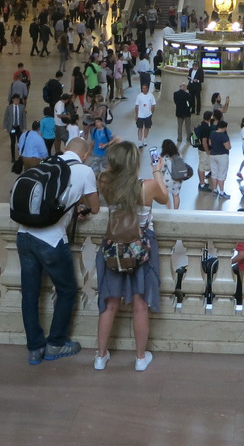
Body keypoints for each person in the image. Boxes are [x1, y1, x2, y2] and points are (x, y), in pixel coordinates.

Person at [17, 137, 99, 365]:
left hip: (23, 235)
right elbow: (95, 207)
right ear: (85, 155)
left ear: (64, 149)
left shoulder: (46, 163)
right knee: (66, 290)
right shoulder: (84, 170)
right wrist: (82, 207)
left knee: (30, 295)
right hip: (51, 240)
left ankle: (34, 348)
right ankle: (56, 343)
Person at [93, 140, 168, 371]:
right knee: (140, 304)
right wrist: (157, 171)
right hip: (141, 248)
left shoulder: (105, 182)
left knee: (110, 303)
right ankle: (139, 358)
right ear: (135, 162)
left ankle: (100, 356)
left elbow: (106, 174)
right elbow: (165, 198)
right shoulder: (146, 186)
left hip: (113, 247)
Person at [208, 118, 231, 199]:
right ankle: (221, 192)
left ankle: (215, 190)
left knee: (214, 173)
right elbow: (228, 147)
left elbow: (210, 143)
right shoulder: (224, 136)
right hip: (222, 156)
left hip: (212, 155)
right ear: (224, 127)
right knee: (221, 174)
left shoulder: (212, 133)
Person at [4, 94, 28, 164]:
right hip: (12, 127)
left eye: (18, 100)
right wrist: (5, 127)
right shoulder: (9, 108)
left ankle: (21, 156)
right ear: (13, 100)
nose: (17, 101)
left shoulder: (22, 107)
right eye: (15, 100)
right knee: (12, 142)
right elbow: (6, 117)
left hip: (19, 127)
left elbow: (24, 118)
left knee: (20, 142)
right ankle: (13, 157)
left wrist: (24, 127)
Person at [133, 81, 156, 145]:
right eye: (143, 88)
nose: (144, 89)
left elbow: (153, 105)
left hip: (148, 115)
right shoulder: (139, 96)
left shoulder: (151, 95)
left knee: (147, 127)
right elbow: (136, 106)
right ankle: (140, 141)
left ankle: (145, 139)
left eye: (145, 88)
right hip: (140, 115)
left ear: (148, 89)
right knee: (140, 128)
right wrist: (136, 115)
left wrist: (151, 113)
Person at [173, 80, 193, 147]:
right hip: (187, 112)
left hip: (179, 112)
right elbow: (191, 104)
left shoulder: (175, 94)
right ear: (184, 87)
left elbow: (175, 102)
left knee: (179, 126)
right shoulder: (188, 95)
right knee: (188, 126)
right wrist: (188, 108)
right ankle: (188, 138)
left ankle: (179, 138)